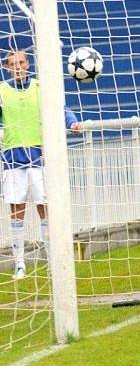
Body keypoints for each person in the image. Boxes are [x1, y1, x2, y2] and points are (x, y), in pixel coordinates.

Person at [1, 50, 83, 280]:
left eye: (21, 62)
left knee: (45, 210)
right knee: (16, 213)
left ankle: (51, 261)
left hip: (39, 158)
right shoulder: (2, 91)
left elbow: (61, 109)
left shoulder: (40, 87)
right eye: (12, 64)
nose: (18, 66)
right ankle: (19, 264)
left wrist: (73, 122)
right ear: (8, 68)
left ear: (28, 65)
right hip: (12, 160)